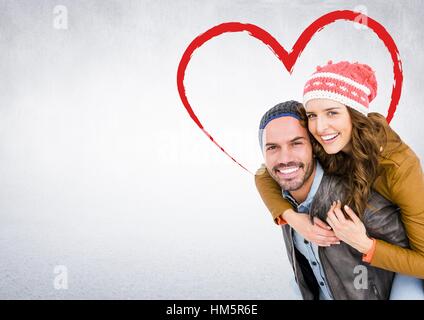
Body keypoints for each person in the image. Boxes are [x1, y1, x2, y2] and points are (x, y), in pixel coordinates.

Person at [255, 61, 424, 294]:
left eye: (332, 112)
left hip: (408, 265)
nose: (321, 127)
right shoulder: (325, 144)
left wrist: (364, 244)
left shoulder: (399, 167)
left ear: (354, 115)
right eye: (312, 115)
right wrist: (293, 218)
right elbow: (264, 173)